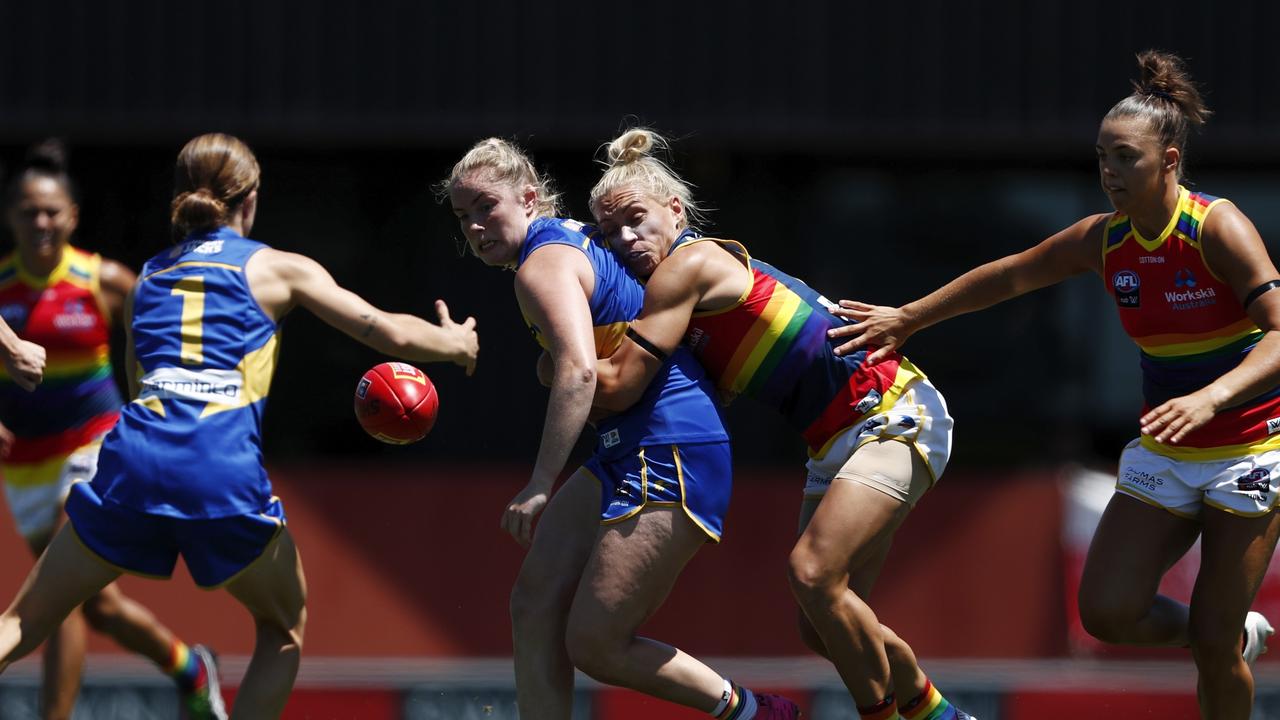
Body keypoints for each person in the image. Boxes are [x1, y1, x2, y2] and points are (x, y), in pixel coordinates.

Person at [830, 50, 1279, 718]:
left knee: (1212, 652)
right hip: (1168, 453)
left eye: (1126, 157)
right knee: (1106, 612)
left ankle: (1220, 640)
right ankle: (1226, 633)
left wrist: (1213, 396)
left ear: (1171, 161)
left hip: (1247, 450)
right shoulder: (1105, 241)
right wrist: (911, 317)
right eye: (1103, 157)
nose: (1110, 173)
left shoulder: (1218, 227)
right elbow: (1011, 274)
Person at [0, 132, 479, 720]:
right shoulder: (278, 268)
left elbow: (138, 386)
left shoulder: (148, 278)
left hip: (131, 465)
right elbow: (387, 333)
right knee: (283, 628)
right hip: (218, 471)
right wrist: (455, 343)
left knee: (21, 622)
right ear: (249, 201)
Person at [588, 128, 970, 720]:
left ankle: (882, 717)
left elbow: (619, 385)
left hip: (891, 410)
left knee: (813, 574)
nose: (624, 239)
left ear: (676, 210)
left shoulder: (685, 266)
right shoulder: (671, 298)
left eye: (635, 219)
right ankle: (938, 712)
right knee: (825, 627)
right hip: (833, 440)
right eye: (608, 234)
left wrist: (556, 355)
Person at [444, 138, 798, 720]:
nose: (477, 225)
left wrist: (539, 482)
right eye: (464, 217)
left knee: (596, 645)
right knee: (534, 604)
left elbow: (580, 373)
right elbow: (594, 348)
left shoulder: (540, 265)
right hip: (626, 447)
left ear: (529, 198)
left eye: (487, 206)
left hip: (668, 448)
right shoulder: (578, 237)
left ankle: (756, 712)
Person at [0, 138, 230, 720]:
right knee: (92, 604)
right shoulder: (2, 288)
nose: (41, 222)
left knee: (60, 603)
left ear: (72, 216)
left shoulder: (101, 280)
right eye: (29, 212)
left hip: (94, 442)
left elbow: (170, 326)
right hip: (25, 462)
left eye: (52, 211)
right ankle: (189, 667)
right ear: (11, 218)